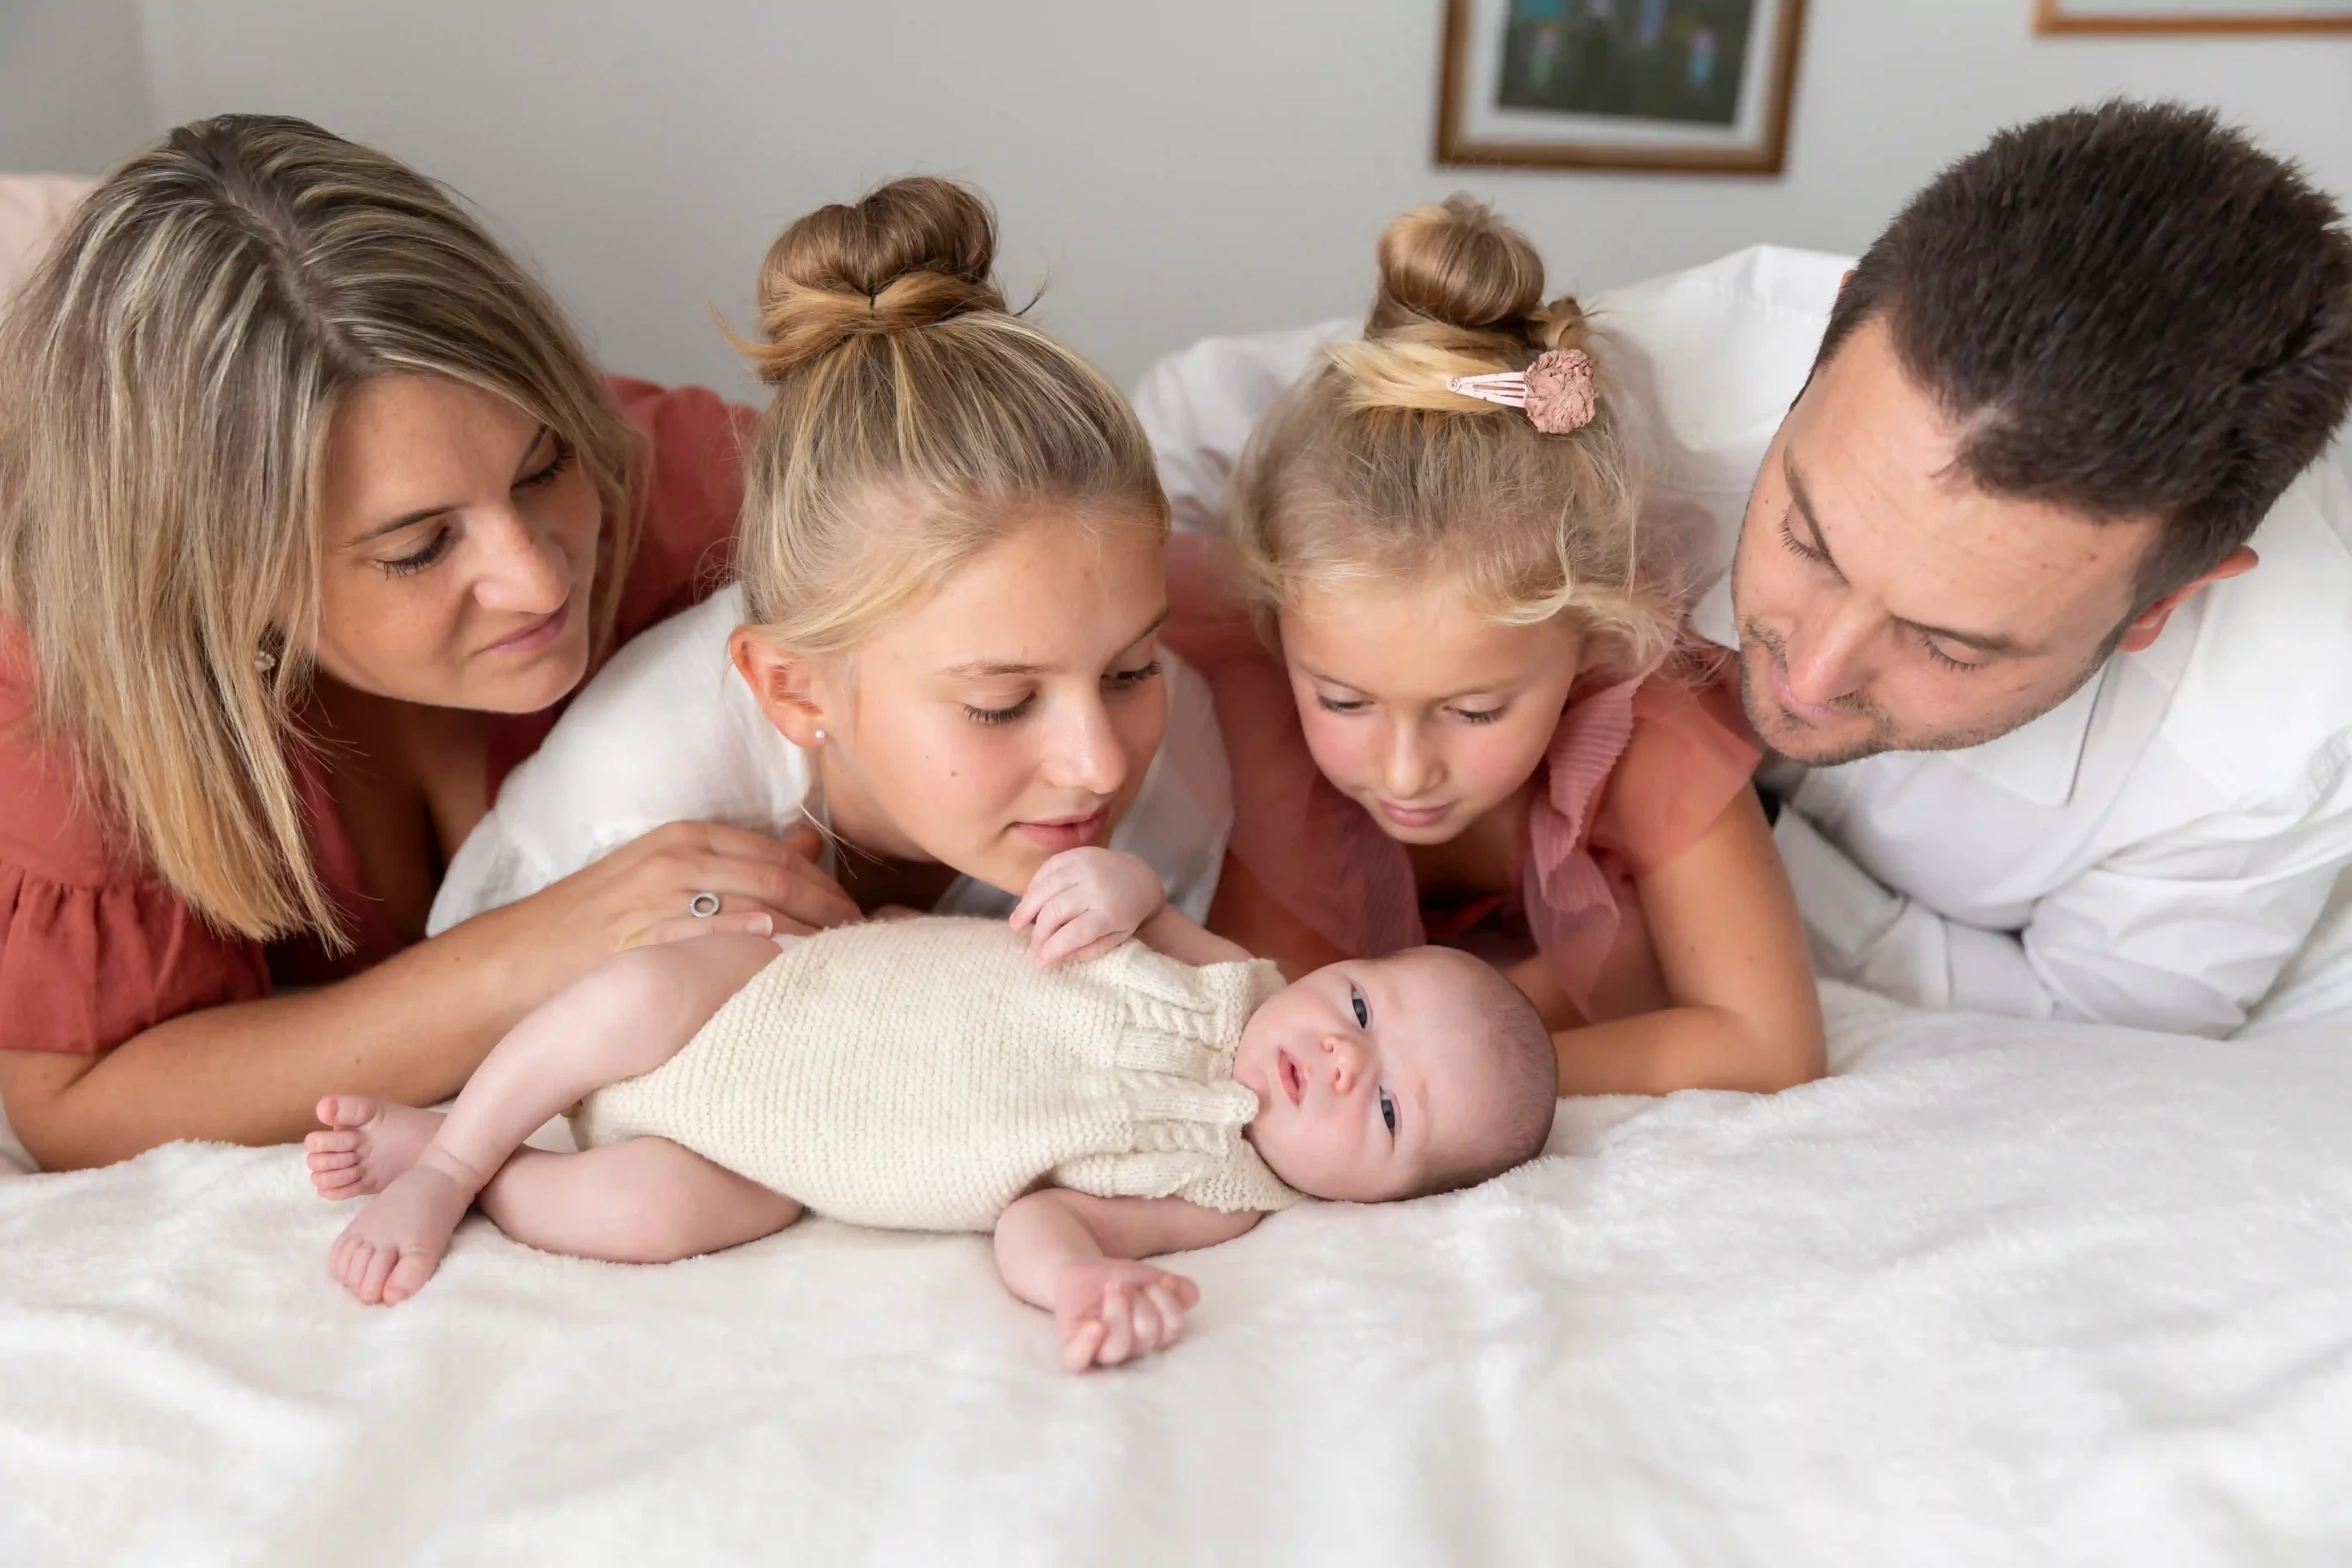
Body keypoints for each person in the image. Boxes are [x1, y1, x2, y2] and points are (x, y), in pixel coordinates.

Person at [1136, 101, 2352, 1038]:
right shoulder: (1661, 378)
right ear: (1816, 351)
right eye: (1807, 539)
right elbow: (1189, 430)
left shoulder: (2278, 748)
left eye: (1951, 644)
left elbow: (2084, 1025)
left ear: (2165, 608)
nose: (1807, 670)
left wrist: (1696, 826)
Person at [0, 116, 855, 1170]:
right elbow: (78, 1102)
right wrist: (526, 952)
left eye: (543, 467)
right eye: (418, 547)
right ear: (219, 572)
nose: (542, 577)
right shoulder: (75, 682)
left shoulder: (711, 503)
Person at [305, 846, 1559, 1373]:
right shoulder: (1233, 980)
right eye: (1362, 1007)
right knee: (629, 997)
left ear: (1379, 1205)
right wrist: (1109, 885)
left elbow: (1042, 1222)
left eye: (1388, 1110)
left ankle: (477, 1165)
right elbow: (1137, 898)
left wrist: (1076, 1288)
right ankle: (456, 1149)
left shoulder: (1222, 1201)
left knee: (644, 1213)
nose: (1343, 1059)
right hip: (772, 993)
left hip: (775, 1161)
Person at [421, 176, 1231, 947]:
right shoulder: (627, 813)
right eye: (1003, 702)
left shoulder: (1176, 768)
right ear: (793, 687)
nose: (1101, 765)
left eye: (1129, 671)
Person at [1161, 197, 1824, 1097]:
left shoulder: (1648, 741)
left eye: (1474, 710)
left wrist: (1470, 1074)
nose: (1402, 772)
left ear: (1592, 648)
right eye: (1345, 700)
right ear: (1281, 636)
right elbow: (1266, 1032)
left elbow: (1769, 1047)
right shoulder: (1285, 740)